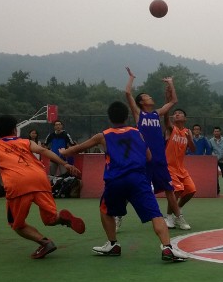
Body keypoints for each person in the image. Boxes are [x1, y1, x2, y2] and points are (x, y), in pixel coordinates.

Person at [60, 101, 186, 262]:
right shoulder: (137, 133)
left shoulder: (103, 135)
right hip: (138, 179)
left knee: (105, 209)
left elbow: (78, 149)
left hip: (116, 180)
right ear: (127, 117)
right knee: (155, 214)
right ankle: (167, 248)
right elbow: (149, 156)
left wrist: (64, 152)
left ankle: (113, 244)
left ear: (110, 118)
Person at [0, 115, 86, 259]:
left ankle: (45, 243)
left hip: (18, 184)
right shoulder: (26, 141)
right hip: (40, 179)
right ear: (14, 130)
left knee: (16, 224)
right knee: (50, 219)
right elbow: (43, 151)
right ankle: (62, 218)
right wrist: (65, 164)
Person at [125, 68, 184, 230]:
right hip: (144, 159)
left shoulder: (156, 114)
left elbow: (174, 101)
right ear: (142, 102)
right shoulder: (139, 114)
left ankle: (178, 217)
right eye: (147, 96)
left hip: (159, 159)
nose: (150, 97)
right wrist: (131, 78)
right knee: (134, 188)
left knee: (169, 189)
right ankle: (118, 216)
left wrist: (171, 83)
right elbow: (128, 93)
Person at [164, 108, 197, 229]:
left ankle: (176, 209)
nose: (177, 114)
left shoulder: (188, 132)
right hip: (169, 166)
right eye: (175, 114)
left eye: (180, 113)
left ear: (185, 118)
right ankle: (169, 217)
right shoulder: (171, 129)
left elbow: (193, 149)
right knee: (177, 190)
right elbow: (166, 120)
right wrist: (168, 106)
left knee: (191, 190)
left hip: (181, 168)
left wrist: (189, 140)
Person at [209, 127, 223, 195]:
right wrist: (215, 157)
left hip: (222, 160)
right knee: (215, 176)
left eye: (218, 131)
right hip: (214, 161)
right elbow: (210, 150)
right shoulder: (210, 141)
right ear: (213, 132)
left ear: (220, 132)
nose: (216, 132)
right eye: (215, 131)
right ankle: (217, 190)